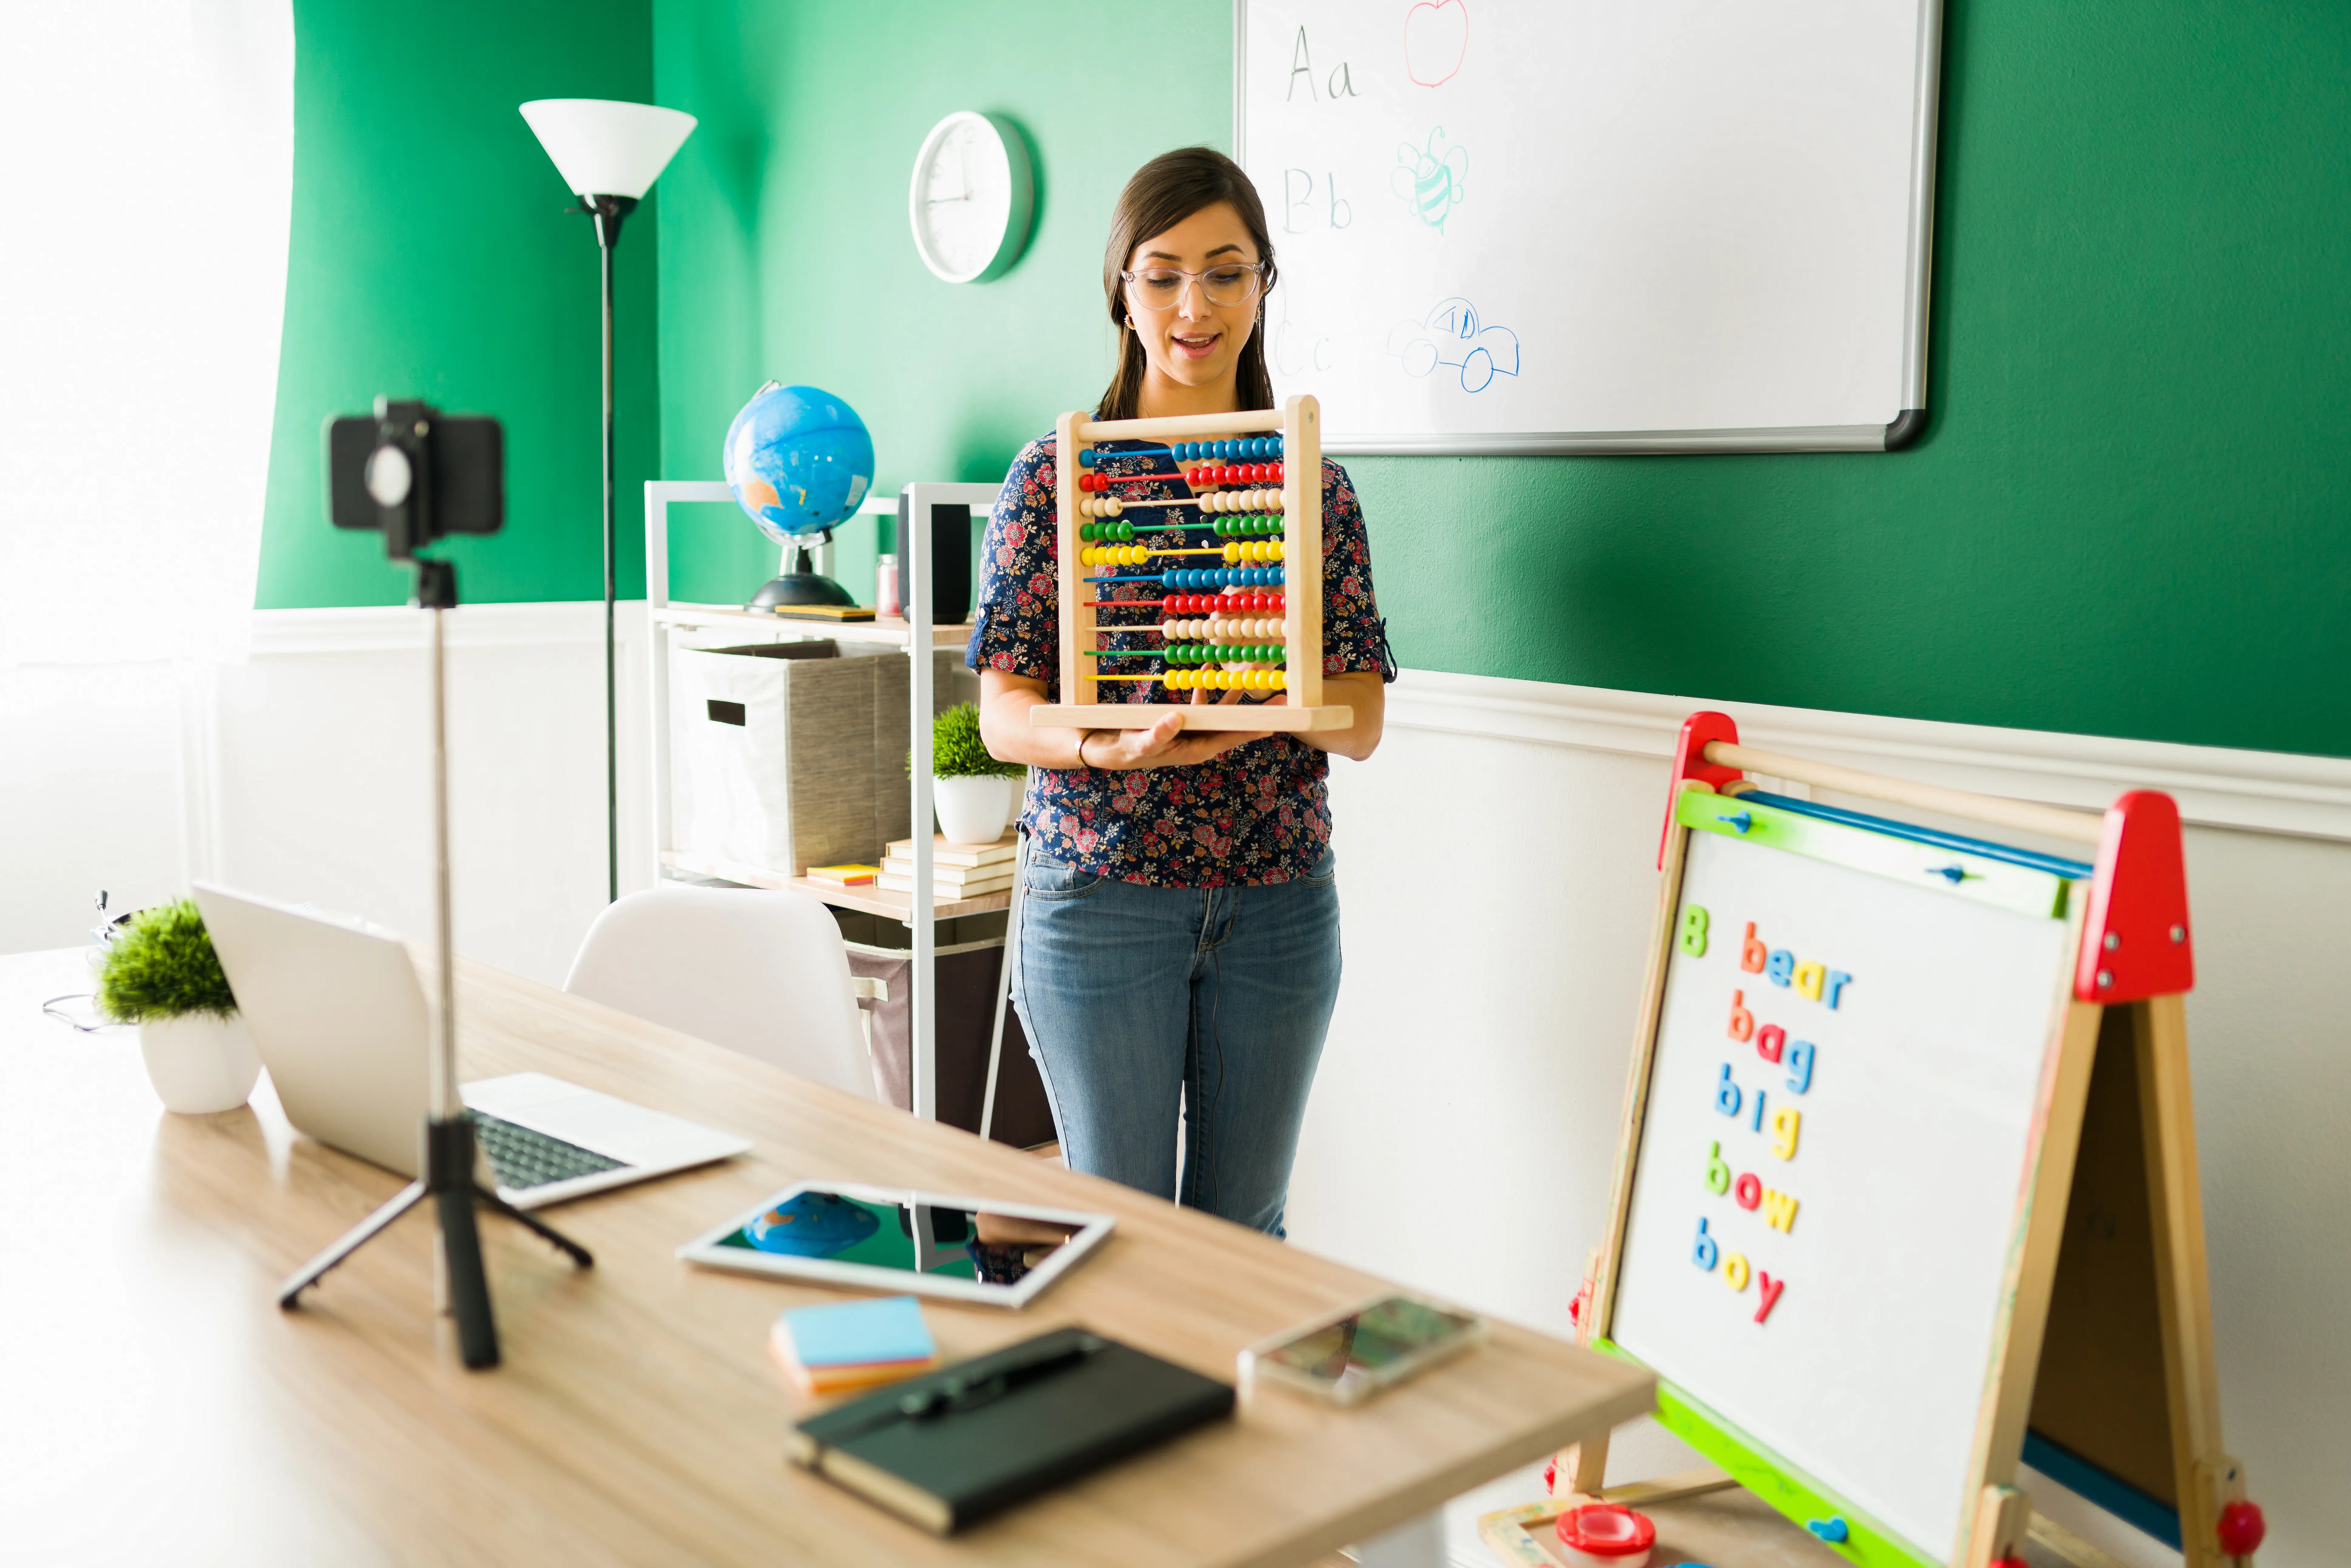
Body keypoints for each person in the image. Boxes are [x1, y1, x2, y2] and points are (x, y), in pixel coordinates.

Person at [970, 147, 1392, 1238]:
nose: (1194, 307)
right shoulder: (1054, 478)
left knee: (1246, 1236)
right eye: (1161, 276)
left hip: (1277, 898)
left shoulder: (1313, 487)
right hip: (1100, 895)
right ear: (1122, 290)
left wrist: (1254, 694)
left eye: (1225, 272)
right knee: (1121, 1237)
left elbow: (1360, 719)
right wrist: (1096, 744)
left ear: (1263, 285)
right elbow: (1003, 713)